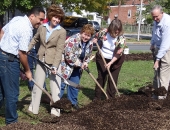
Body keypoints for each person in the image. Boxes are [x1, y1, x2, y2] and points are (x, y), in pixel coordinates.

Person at [0, 7, 45, 125]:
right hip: (9, 61)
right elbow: (22, 53)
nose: (41, 23)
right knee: (12, 93)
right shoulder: (27, 29)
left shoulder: (17, 19)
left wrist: (4, 48)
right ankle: (12, 123)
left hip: (1, 56)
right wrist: (27, 71)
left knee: (1, 91)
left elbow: (2, 32)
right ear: (32, 16)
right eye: (40, 19)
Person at [28, 4, 66, 117]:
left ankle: (55, 111)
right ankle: (33, 107)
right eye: (55, 17)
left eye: (59, 18)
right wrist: (26, 49)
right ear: (50, 16)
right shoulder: (42, 27)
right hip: (41, 59)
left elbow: (59, 50)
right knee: (37, 85)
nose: (57, 20)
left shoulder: (62, 31)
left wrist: (55, 66)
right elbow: (35, 39)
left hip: (54, 61)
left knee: (55, 87)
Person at [60, 24, 96, 109]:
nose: (86, 37)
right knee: (62, 85)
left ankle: (73, 102)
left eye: (88, 35)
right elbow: (68, 56)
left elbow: (88, 55)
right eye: (85, 34)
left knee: (74, 85)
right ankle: (58, 103)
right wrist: (80, 64)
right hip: (66, 66)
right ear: (81, 32)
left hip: (77, 68)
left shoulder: (89, 44)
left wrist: (86, 62)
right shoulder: (73, 40)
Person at [93, 19, 126, 100]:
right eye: (115, 31)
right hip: (102, 57)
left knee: (113, 78)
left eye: (118, 31)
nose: (116, 33)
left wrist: (111, 63)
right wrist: (95, 40)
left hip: (116, 60)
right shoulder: (103, 32)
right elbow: (96, 36)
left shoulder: (121, 38)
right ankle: (97, 97)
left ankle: (110, 98)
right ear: (111, 28)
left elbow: (118, 53)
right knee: (102, 77)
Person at [150, 5, 170, 99]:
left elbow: (165, 44)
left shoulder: (167, 23)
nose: (155, 18)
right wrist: (152, 43)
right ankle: (155, 94)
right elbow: (155, 33)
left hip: (167, 49)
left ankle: (162, 98)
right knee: (156, 72)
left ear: (162, 13)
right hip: (158, 47)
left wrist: (158, 59)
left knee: (163, 73)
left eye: (156, 16)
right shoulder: (156, 20)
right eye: (153, 16)